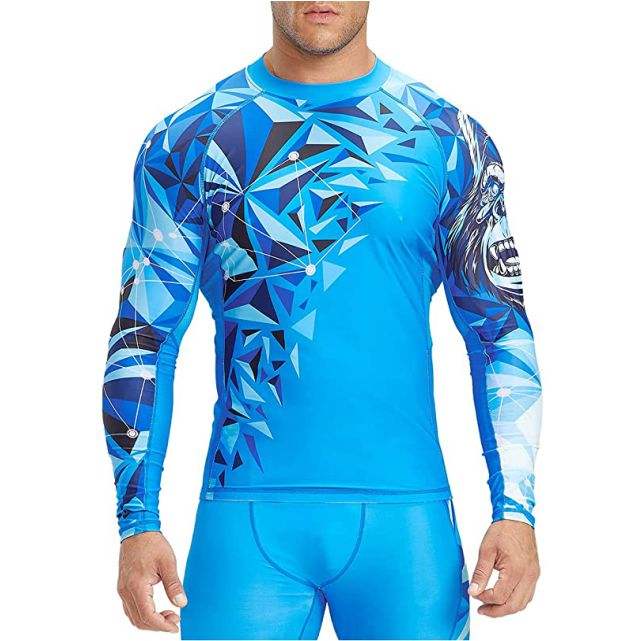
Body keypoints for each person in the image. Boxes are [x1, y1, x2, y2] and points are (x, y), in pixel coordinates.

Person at [102, 2, 542, 638]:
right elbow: (144, 337)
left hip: (406, 527)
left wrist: (515, 509)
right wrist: (136, 521)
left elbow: (498, 332)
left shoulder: (446, 138)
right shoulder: (190, 139)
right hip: (244, 526)